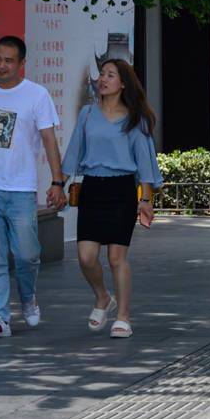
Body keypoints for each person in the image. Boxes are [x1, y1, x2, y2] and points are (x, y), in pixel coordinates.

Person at [0, 36, 64, 339]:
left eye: (8, 60)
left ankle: (28, 297)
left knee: (28, 255)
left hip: (20, 188)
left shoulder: (36, 95)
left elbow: (48, 140)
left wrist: (57, 182)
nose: (1, 65)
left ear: (21, 64)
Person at [63, 58, 161, 338]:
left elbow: (145, 161)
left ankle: (123, 317)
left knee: (117, 257)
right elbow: (74, 151)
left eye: (110, 75)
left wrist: (146, 199)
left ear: (122, 83)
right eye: (101, 74)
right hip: (93, 188)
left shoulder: (135, 117)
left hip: (121, 191)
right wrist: (59, 183)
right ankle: (103, 297)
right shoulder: (86, 114)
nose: (103, 79)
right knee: (85, 257)